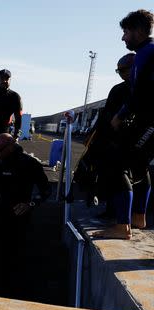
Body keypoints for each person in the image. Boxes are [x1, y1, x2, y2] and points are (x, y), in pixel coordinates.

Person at [101, 9, 154, 237]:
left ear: (139, 31)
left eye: (126, 32)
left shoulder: (146, 53)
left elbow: (141, 93)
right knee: (139, 165)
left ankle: (123, 226)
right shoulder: (148, 52)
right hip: (148, 121)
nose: (123, 38)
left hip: (151, 122)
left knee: (116, 164)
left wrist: (119, 115)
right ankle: (138, 218)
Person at [0, 134, 50, 296]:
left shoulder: (30, 164)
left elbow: (46, 190)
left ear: (11, 146)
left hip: (20, 218)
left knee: (16, 257)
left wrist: (31, 203)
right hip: (0, 217)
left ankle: (14, 292)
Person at [77, 53, 135, 214]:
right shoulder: (119, 89)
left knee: (121, 174)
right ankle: (112, 209)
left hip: (127, 139)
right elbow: (105, 115)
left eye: (124, 70)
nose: (122, 73)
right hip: (113, 137)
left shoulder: (139, 89)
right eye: (119, 71)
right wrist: (94, 135)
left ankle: (123, 215)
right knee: (109, 173)